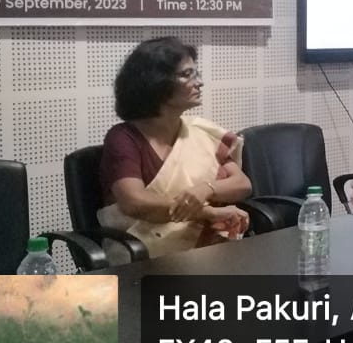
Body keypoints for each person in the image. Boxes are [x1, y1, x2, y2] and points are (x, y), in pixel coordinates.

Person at [99, 37, 251, 257]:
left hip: (208, 252)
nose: (199, 82)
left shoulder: (200, 132)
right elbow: (134, 202)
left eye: (196, 73)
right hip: (144, 256)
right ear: (156, 83)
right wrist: (207, 212)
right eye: (187, 74)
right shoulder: (124, 138)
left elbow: (242, 184)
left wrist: (206, 189)